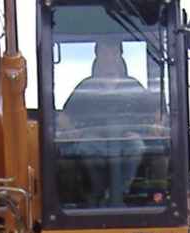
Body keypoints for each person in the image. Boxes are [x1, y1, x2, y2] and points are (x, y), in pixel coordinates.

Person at [58, 39, 154, 207]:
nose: (109, 57)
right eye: (104, 52)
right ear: (97, 55)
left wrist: (157, 126)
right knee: (85, 148)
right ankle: (99, 191)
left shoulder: (133, 86)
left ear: (120, 55)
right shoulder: (87, 86)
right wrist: (70, 130)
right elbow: (63, 116)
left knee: (136, 145)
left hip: (125, 137)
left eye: (113, 52)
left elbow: (159, 112)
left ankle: (120, 192)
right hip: (96, 137)